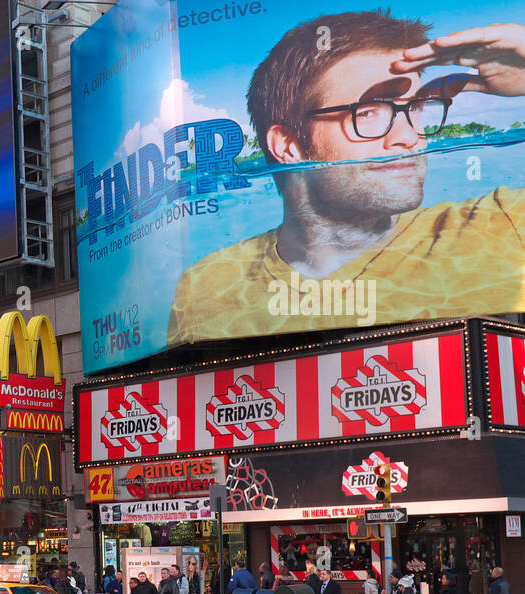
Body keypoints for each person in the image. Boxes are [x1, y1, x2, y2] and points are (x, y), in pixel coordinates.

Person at [167, 13, 525, 346]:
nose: (409, 136)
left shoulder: (501, 224)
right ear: (288, 145)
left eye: (414, 108)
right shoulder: (205, 286)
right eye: (368, 111)